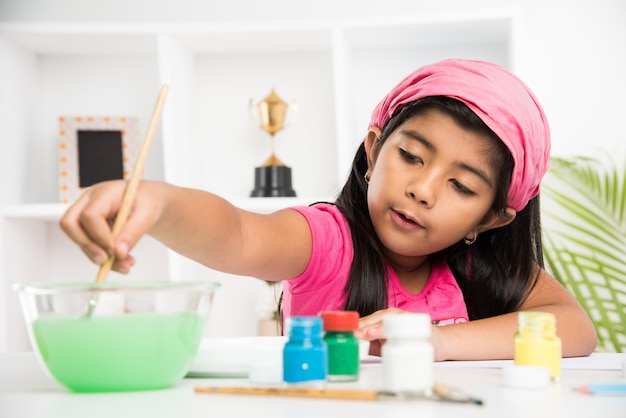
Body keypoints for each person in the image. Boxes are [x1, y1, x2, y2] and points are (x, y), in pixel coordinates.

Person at [60, 58, 597, 360]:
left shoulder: (478, 266)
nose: (423, 190)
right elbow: (239, 235)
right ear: (373, 148)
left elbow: (575, 328)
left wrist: (436, 341)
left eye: (461, 185)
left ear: (492, 218)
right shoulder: (327, 240)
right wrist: (159, 202)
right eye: (411, 156)